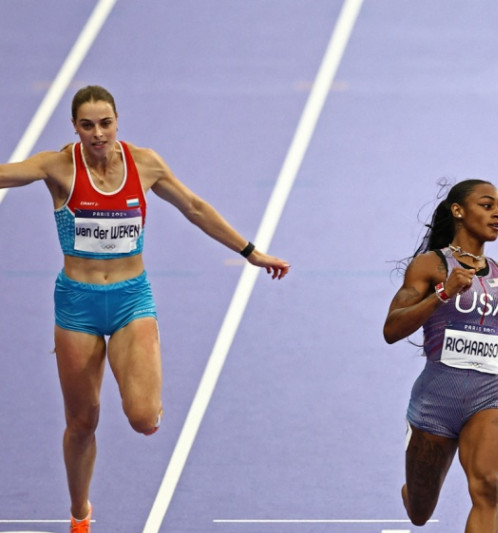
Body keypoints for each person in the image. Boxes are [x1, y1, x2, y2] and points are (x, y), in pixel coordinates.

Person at [0, 85, 290, 532]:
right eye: (87, 125)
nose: (98, 133)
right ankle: (80, 515)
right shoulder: (57, 167)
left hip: (130, 300)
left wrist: (250, 252)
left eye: (105, 123)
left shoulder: (145, 164)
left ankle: (146, 389)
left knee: (142, 418)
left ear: (117, 120)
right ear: (74, 127)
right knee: (82, 423)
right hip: (76, 306)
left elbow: (194, 207)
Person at [383, 179, 498, 532]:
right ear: (458, 211)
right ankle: (413, 495)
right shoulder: (430, 266)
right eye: (487, 206)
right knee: (419, 512)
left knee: (487, 487)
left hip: (487, 397)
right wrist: (443, 293)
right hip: (435, 403)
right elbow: (392, 329)